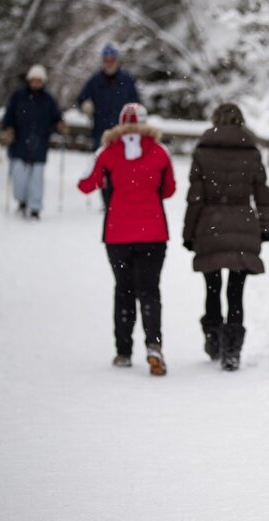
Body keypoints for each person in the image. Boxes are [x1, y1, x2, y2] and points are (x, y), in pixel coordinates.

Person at [78, 103, 175, 376]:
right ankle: (154, 345)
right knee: (149, 290)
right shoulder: (159, 152)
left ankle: (123, 351)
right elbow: (169, 190)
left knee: (124, 290)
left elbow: (85, 183)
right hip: (153, 233)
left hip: (117, 233)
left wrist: (106, 160)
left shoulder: (108, 151)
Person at [183, 103, 269, 371]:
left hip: (210, 224)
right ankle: (232, 349)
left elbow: (195, 198)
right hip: (243, 223)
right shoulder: (251, 153)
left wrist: (189, 232)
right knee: (236, 291)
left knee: (212, 287)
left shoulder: (203, 152)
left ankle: (213, 337)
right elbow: (263, 196)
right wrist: (264, 227)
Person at [76, 43, 140, 205]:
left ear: (117, 61)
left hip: (123, 133)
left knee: (123, 167)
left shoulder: (126, 80)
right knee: (103, 167)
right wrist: (86, 104)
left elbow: (137, 103)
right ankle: (107, 201)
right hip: (101, 131)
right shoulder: (95, 81)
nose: (109, 63)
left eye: (112, 60)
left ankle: (120, 198)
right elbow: (81, 99)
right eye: (106, 60)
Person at [1, 64, 66, 219]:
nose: (36, 83)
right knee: (19, 177)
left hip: (40, 143)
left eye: (39, 80)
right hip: (19, 143)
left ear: (43, 82)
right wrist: (9, 129)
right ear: (29, 80)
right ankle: (22, 201)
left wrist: (60, 125)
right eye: (34, 80)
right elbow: (8, 115)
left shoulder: (48, 99)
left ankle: (35, 208)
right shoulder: (18, 96)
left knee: (37, 178)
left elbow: (56, 117)